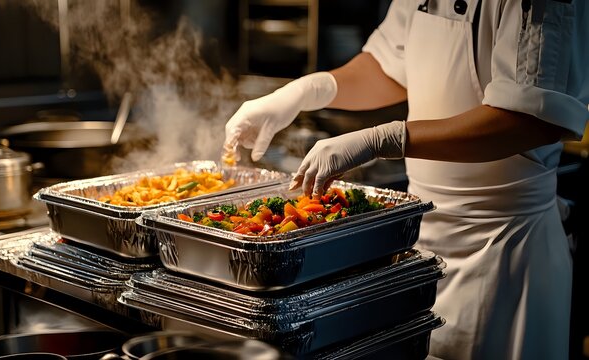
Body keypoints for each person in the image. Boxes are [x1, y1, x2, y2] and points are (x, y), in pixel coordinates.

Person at [223, 0, 589, 359]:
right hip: (422, 241)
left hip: (506, 250)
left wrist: (385, 139)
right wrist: (307, 91)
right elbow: (388, 66)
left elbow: (529, 119)